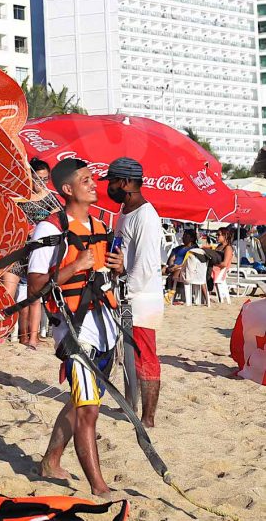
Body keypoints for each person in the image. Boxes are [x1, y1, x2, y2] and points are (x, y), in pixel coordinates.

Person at [27, 158, 122, 497]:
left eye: (92, 178)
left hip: (106, 326)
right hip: (75, 331)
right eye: (85, 180)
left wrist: (117, 268)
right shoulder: (50, 230)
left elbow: (106, 278)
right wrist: (73, 268)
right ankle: (99, 488)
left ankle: (51, 461)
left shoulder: (99, 224)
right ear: (67, 189)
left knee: (82, 400)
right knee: (88, 410)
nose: (93, 184)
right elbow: (36, 286)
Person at [104, 157, 163, 428]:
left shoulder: (146, 215)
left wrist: (126, 281)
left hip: (140, 297)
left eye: (113, 181)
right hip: (125, 293)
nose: (109, 186)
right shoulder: (124, 211)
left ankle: (148, 418)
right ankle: (130, 404)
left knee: (144, 355)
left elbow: (148, 264)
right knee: (126, 352)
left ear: (126, 183)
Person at [3, 157, 57, 348]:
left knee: (34, 299)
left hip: (37, 254)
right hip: (17, 251)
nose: (41, 184)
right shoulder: (19, 197)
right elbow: (7, 220)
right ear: (29, 177)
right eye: (38, 179)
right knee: (8, 294)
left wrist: (42, 228)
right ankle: (4, 332)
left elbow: (60, 224)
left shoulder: (50, 199)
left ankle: (31, 338)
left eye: (45, 179)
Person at [165, 229, 198, 301]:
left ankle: (170, 295)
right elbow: (171, 259)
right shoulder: (178, 248)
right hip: (174, 267)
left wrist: (177, 266)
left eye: (186, 236)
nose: (183, 238)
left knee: (176, 273)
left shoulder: (195, 249)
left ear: (192, 238)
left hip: (186, 269)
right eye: (183, 236)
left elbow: (191, 262)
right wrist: (172, 265)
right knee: (160, 270)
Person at [213, 227, 234, 304]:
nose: (217, 236)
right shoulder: (219, 246)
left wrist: (214, 264)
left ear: (225, 236)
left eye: (219, 235)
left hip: (219, 270)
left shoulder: (228, 248)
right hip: (215, 268)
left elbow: (225, 264)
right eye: (216, 235)